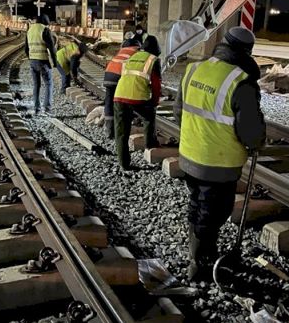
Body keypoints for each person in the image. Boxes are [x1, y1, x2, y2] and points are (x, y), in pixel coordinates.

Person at [174, 26, 266, 281]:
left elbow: (179, 112)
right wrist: (258, 142)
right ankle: (200, 264)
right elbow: (251, 131)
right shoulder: (241, 82)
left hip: (189, 156)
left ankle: (198, 255)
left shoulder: (194, 69)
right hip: (218, 164)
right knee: (214, 212)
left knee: (198, 204)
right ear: (247, 52)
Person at [113, 35, 162, 169]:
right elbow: (156, 85)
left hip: (119, 96)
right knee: (149, 117)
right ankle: (150, 143)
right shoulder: (153, 60)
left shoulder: (132, 57)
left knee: (121, 132)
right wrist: (155, 101)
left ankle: (124, 163)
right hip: (137, 97)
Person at [103, 37, 141, 139]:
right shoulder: (136, 51)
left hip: (108, 75)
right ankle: (126, 125)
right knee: (126, 100)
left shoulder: (122, 51)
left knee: (109, 103)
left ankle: (109, 130)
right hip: (119, 77)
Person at [25, 14, 56, 115]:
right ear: (45, 22)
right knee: (49, 83)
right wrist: (55, 62)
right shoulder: (45, 30)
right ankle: (47, 108)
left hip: (32, 61)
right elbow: (52, 48)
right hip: (43, 61)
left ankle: (37, 109)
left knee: (36, 85)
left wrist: (31, 58)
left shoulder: (30, 30)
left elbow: (26, 49)